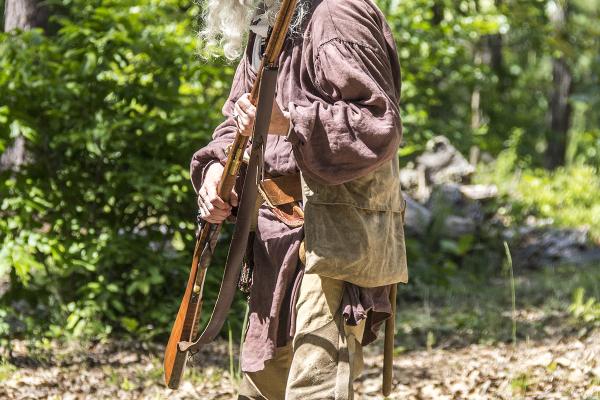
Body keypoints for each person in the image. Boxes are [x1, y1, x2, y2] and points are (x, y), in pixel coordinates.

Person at [190, 0, 408, 398]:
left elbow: (379, 124)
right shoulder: (268, 22)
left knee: (315, 391)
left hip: (335, 237)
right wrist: (218, 170)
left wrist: (289, 122)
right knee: (264, 390)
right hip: (275, 241)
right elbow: (236, 121)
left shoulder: (336, 13)